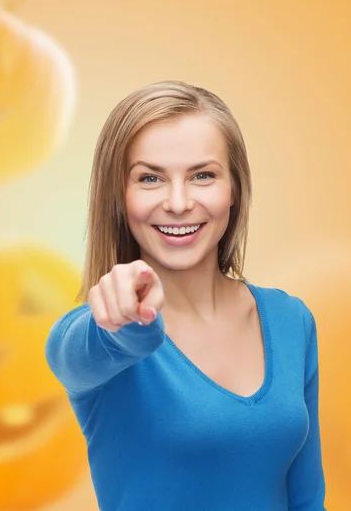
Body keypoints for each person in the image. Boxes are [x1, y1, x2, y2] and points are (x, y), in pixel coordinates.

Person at [45, 80, 327, 510]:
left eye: (202, 175)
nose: (178, 203)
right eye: (150, 178)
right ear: (119, 197)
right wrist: (122, 319)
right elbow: (71, 353)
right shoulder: (103, 332)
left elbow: (307, 500)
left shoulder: (292, 320)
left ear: (234, 189)